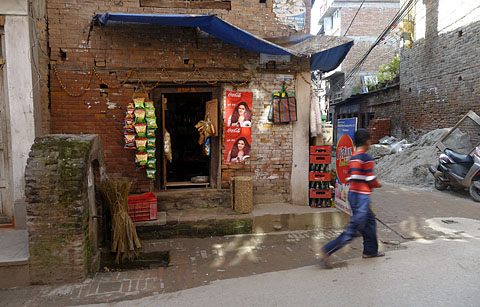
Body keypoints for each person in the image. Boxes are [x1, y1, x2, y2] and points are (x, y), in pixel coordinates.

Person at [320, 128, 384, 268]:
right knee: (354, 229)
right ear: (368, 142)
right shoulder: (366, 159)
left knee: (370, 223)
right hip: (362, 197)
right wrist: (377, 184)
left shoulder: (353, 157)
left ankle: (370, 251)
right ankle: (328, 250)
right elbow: (370, 179)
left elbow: (350, 176)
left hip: (353, 195)